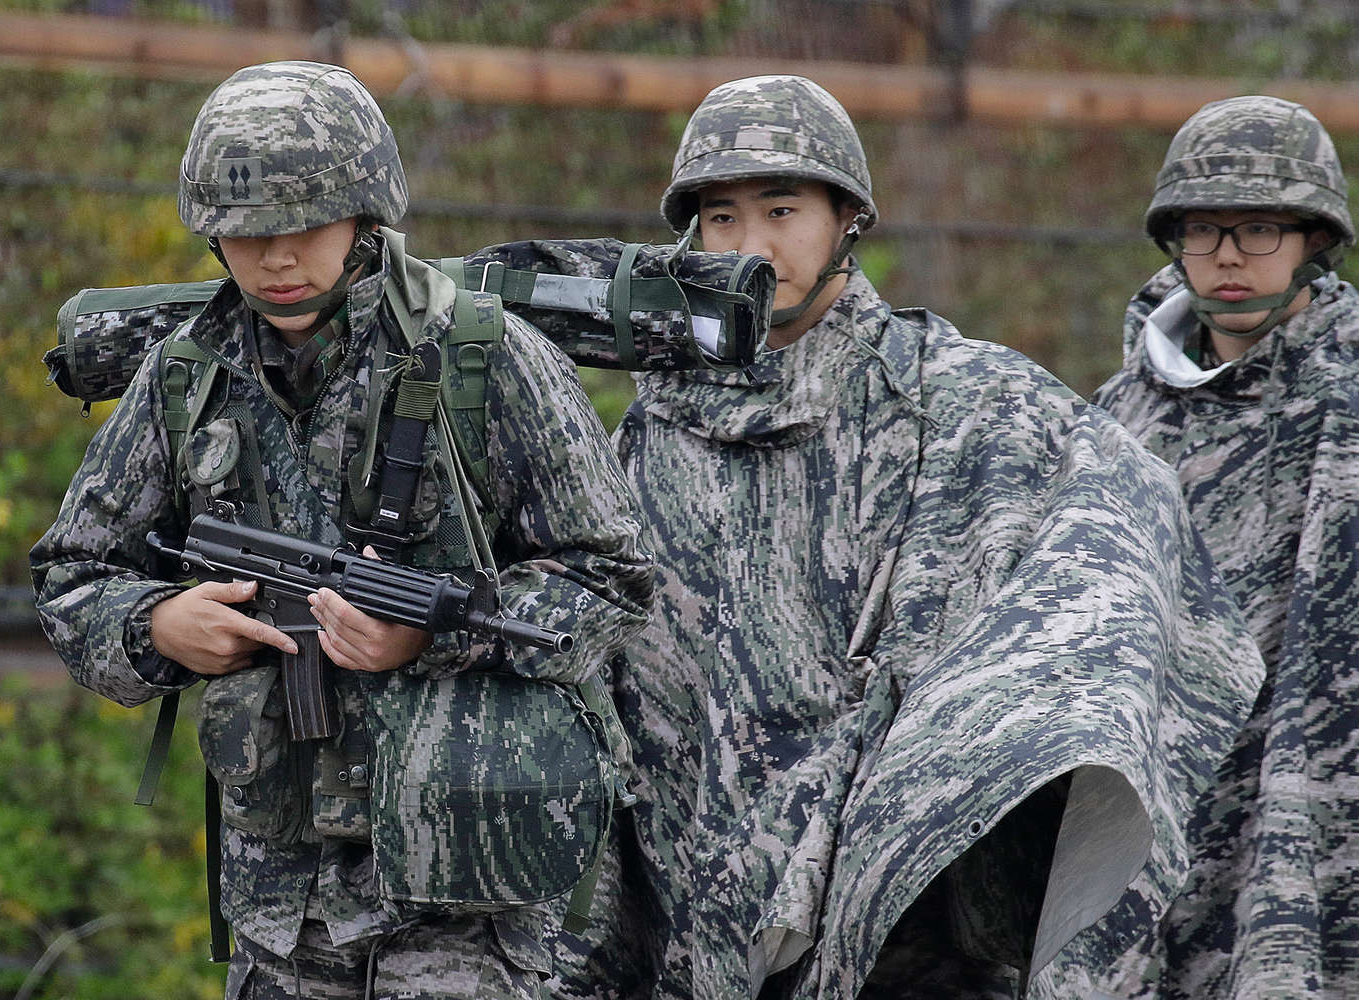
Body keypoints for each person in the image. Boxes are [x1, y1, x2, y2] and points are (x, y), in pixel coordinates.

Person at [573, 75, 1265, 999]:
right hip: (687, 889)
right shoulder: (657, 423)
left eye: (782, 210)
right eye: (723, 219)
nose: (752, 246)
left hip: (905, 920)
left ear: (848, 220)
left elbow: (1128, 539)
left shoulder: (963, 398)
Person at [30, 61, 652, 1000]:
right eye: (245, 236)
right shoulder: (184, 377)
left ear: (366, 214)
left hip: (476, 886)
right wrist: (157, 627)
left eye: (303, 228)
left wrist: (440, 631)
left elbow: (611, 579)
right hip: (285, 905)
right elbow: (73, 572)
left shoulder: (484, 360)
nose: (275, 260)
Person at [1077, 95, 1359, 999]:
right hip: (1148, 811)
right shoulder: (1114, 418)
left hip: (1314, 804)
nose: (1230, 255)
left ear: (1316, 239)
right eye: (1204, 230)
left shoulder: (1346, 402)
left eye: (1261, 228)